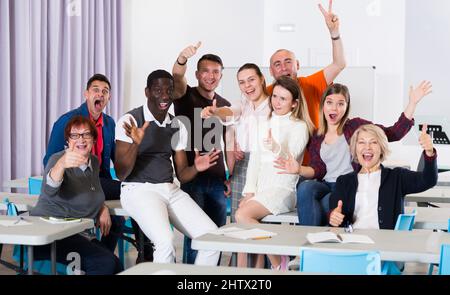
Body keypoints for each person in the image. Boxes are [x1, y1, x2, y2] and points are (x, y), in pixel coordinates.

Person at [274, 81, 432, 226]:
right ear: (323, 106)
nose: (334, 108)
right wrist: (299, 169)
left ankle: (320, 243)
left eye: (340, 104)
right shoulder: (316, 135)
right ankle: (309, 240)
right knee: (305, 188)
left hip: (348, 185)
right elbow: (318, 169)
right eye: (329, 103)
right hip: (325, 184)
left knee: (325, 205)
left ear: (346, 107)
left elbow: (394, 133)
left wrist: (412, 103)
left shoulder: (355, 126)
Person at [114, 70, 221, 265]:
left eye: (169, 90)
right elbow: (121, 174)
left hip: (169, 188)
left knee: (211, 239)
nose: (164, 96)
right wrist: (136, 144)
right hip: (138, 189)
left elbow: (182, 174)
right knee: (165, 242)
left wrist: (196, 167)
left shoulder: (176, 125)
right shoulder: (129, 121)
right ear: (147, 92)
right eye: (158, 90)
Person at [43, 74, 152, 261]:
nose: (100, 94)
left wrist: (135, 145)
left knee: (122, 212)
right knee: (136, 190)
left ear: (108, 98)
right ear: (86, 94)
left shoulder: (109, 123)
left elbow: (119, 163)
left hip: (99, 182)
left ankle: (105, 257)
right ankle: (145, 254)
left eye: (105, 91)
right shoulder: (67, 121)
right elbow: (49, 162)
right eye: (95, 90)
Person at [235, 77, 314, 270]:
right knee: (242, 225)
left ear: (294, 104)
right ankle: (241, 273)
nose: (276, 102)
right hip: (261, 191)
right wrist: (249, 192)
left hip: (283, 190)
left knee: (242, 216)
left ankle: (279, 262)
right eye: (275, 97)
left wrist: (275, 147)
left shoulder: (300, 126)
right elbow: (254, 161)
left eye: (283, 99)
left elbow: (291, 159)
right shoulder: (264, 123)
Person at [30, 116, 122, 275]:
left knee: (115, 264)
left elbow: (93, 191)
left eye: (86, 134)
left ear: (93, 140)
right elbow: (50, 188)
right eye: (75, 135)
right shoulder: (57, 160)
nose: (81, 139)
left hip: (77, 233)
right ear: (68, 141)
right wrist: (61, 165)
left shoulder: (93, 161)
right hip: (52, 235)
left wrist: (102, 207)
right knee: (105, 263)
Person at [172, 43, 232, 264]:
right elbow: (177, 79)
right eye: (205, 71)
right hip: (192, 178)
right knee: (196, 239)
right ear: (197, 74)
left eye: (216, 71)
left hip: (217, 181)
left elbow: (228, 144)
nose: (210, 76)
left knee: (215, 239)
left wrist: (229, 177)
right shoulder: (184, 96)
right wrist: (181, 59)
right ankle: (190, 278)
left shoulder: (223, 105)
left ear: (221, 75)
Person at [329, 124, 437, 230]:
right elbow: (335, 216)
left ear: (381, 148)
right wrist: (334, 217)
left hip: (385, 243)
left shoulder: (397, 177)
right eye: (361, 142)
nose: (367, 147)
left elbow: (428, 180)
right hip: (353, 241)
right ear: (355, 148)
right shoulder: (344, 182)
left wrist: (429, 152)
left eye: (374, 142)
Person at [268, 0, 346, 131]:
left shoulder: (311, 84)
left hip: (314, 151)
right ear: (271, 71)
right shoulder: (267, 93)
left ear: (297, 65)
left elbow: (339, 64)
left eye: (288, 61)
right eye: (277, 64)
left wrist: (334, 32)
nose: (283, 67)